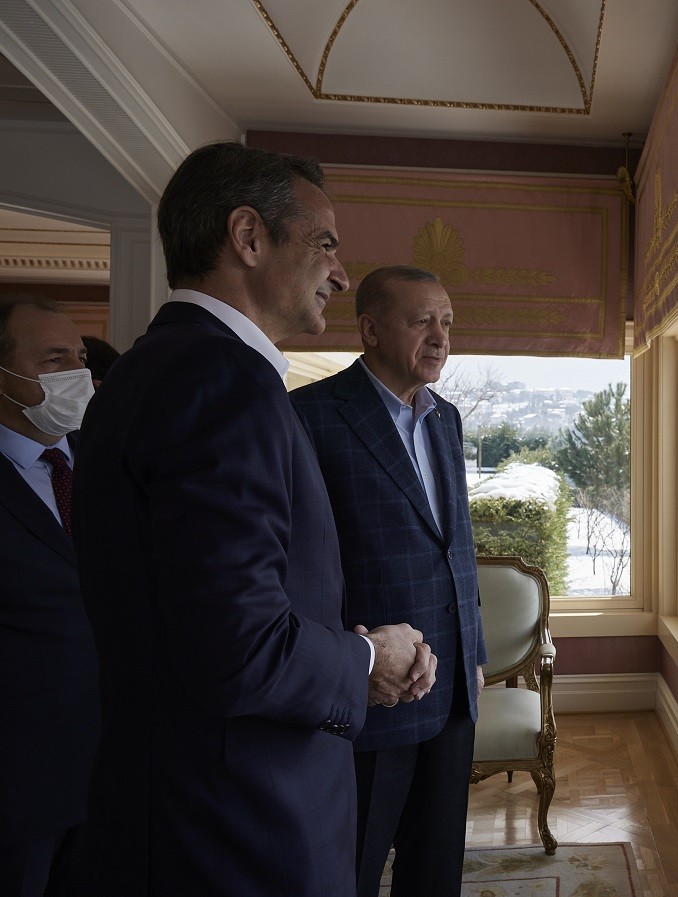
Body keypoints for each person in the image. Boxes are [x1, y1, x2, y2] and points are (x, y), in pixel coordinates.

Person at [71, 142, 436, 897]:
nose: (341, 274)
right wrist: (366, 661)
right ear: (248, 236)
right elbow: (237, 646)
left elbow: (202, 611)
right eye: (325, 243)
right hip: (240, 828)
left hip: (178, 808)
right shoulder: (223, 383)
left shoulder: (151, 367)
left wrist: (349, 646)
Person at [291, 265, 486, 897]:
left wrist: (473, 655)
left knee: (435, 871)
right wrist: (349, 662)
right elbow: (302, 563)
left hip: (451, 690)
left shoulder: (445, 417)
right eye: (421, 321)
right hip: (372, 689)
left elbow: (457, 545)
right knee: (350, 869)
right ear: (370, 329)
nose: (440, 337)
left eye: (447, 322)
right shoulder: (310, 415)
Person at [0, 296, 98, 897]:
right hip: (19, 786)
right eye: (54, 359)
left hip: (119, 771)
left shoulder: (111, 462)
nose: (76, 375)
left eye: (80, 358)